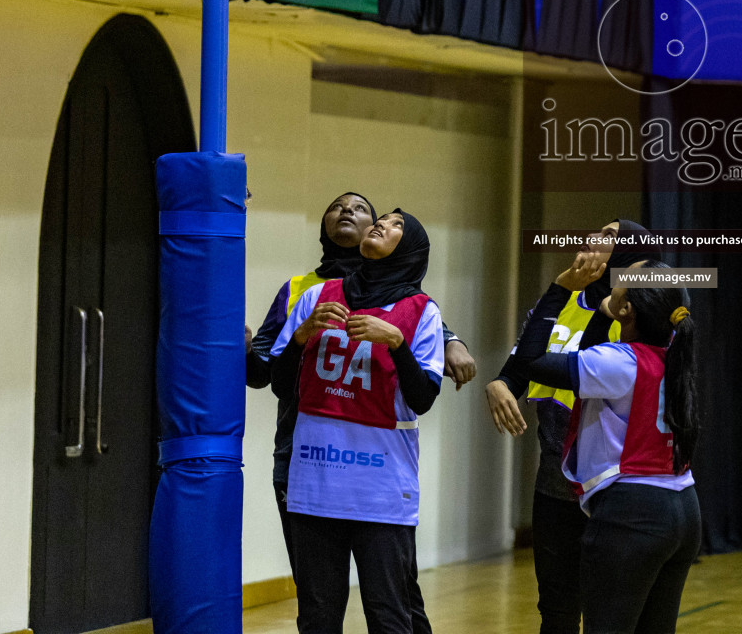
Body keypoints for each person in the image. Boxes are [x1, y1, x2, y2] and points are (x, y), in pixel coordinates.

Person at [246, 192, 476, 575]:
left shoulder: (407, 298)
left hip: (375, 467)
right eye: (336, 205)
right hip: (302, 454)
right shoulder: (302, 290)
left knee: (397, 595)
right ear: (324, 224)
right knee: (316, 591)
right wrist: (244, 350)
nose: (346, 211)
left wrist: (452, 340)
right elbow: (265, 373)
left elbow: (418, 334)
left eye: (361, 208)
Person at [270, 209, 445, 634]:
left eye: (398, 225)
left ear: (410, 249)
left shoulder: (421, 312)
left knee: (389, 615)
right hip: (316, 482)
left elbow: (422, 399)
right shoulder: (316, 298)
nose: (383, 224)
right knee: (317, 616)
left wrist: (398, 345)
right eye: (382, 219)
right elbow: (279, 385)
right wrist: (299, 337)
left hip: (381, 491)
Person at [485, 220, 653, 634]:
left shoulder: (642, 317)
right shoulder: (558, 301)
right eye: (595, 231)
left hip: (614, 486)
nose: (595, 237)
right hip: (555, 482)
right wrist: (501, 383)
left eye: (610, 235)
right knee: (557, 612)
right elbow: (522, 367)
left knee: (611, 615)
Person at [519, 255, 700, 634]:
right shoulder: (671, 357)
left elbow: (532, 360)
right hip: (683, 508)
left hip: (633, 515)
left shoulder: (620, 363)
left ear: (629, 307)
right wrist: (604, 315)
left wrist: (559, 291)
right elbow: (590, 355)